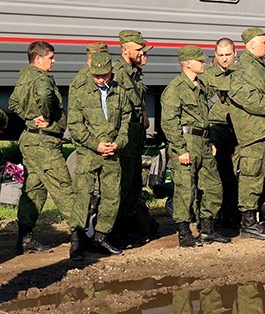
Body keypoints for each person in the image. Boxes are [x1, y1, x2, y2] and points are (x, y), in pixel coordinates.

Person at [8, 41, 75, 254]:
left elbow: (12, 104)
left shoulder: (24, 77)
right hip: (44, 143)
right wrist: (45, 116)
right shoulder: (42, 78)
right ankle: (80, 237)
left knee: (34, 190)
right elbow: (46, 96)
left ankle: (25, 239)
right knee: (63, 187)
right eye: (51, 58)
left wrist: (29, 116)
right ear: (38, 59)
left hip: (30, 140)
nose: (54, 62)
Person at [162, 45, 229, 247]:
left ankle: (207, 230)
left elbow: (203, 117)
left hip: (203, 142)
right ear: (187, 63)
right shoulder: (175, 89)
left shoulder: (199, 86)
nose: (204, 63)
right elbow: (169, 122)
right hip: (187, 143)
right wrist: (180, 149)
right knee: (185, 189)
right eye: (200, 60)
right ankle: (184, 233)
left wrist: (209, 141)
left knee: (213, 186)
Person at [67, 52, 131, 259]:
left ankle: (101, 236)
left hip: (112, 152)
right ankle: (77, 240)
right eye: (97, 76)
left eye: (104, 75)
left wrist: (118, 143)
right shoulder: (79, 91)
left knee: (112, 196)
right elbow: (75, 125)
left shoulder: (119, 91)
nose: (101, 80)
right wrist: (96, 145)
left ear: (111, 70)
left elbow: (125, 123)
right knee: (83, 195)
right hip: (88, 152)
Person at [228, 27, 265, 240]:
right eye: (264, 42)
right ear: (251, 45)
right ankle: (248, 223)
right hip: (251, 132)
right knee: (251, 175)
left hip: (263, 129)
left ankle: (255, 218)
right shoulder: (243, 69)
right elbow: (250, 100)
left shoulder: (258, 66)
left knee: (262, 176)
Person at [113, 30, 157, 244]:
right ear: (125, 50)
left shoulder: (134, 71)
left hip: (135, 137)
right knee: (123, 185)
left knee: (133, 185)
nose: (143, 54)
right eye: (139, 50)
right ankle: (117, 231)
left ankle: (128, 227)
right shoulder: (119, 73)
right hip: (126, 138)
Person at [199, 38, 240, 229]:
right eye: (221, 55)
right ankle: (211, 217)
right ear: (215, 55)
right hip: (217, 128)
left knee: (235, 174)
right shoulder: (206, 76)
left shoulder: (242, 74)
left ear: (235, 53)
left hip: (238, 128)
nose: (224, 59)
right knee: (216, 174)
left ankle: (232, 215)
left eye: (228, 55)